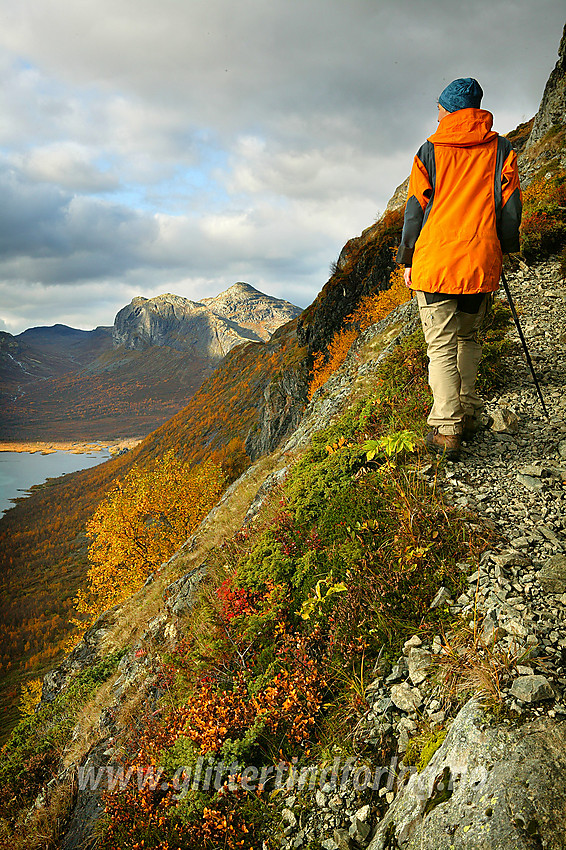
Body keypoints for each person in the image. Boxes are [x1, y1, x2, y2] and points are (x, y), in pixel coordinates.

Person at [396, 77, 522, 461]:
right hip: (478, 261)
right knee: (469, 338)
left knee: (440, 347)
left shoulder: (430, 150)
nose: (436, 113)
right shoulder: (501, 149)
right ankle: (467, 410)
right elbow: (510, 207)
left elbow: (415, 209)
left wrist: (406, 258)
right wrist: (506, 250)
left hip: (435, 261)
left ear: (448, 109)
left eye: (439, 107)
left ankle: (447, 428)